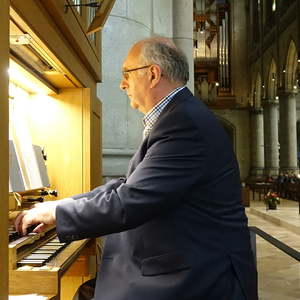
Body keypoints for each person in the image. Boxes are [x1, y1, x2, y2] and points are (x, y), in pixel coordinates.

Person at [15, 37, 258, 300]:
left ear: (153, 74)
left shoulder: (185, 123)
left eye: (126, 74)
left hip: (195, 276)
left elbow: (131, 200)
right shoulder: (178, 116)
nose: (122, 84)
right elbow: (126, 185)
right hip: (180, 262)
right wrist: (61, 206)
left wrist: (59, 213)